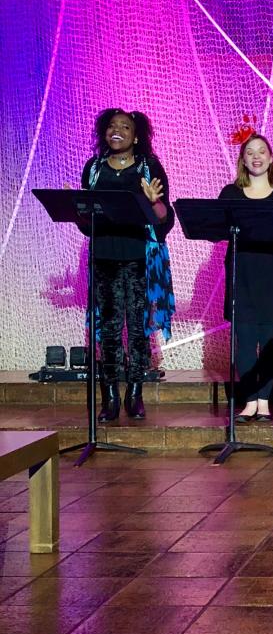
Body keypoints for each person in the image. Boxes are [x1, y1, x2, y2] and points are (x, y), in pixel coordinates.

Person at [82, 108, 175, 422]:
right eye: (111, 126)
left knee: (136, 330)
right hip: (104, 257)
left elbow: (164, 217)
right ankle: (109, 396)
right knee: (107, 330)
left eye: (124, 127)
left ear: (137, 136)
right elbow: (86, 223)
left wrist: (152, 201)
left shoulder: (149, 167)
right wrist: (78, 208)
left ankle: (135, 393)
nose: (116, 130)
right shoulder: (94, 168)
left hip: (138, 258)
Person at [219, 132, 273, 423]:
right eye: (250, 152)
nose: (256, 156)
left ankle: (264, 402)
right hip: (242, 273)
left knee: (269, 342)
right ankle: (249, 400)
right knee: (244, 342)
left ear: (271, 157)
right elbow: (218, 229)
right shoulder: (230, 194)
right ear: (243, 159)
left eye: (261, 151)